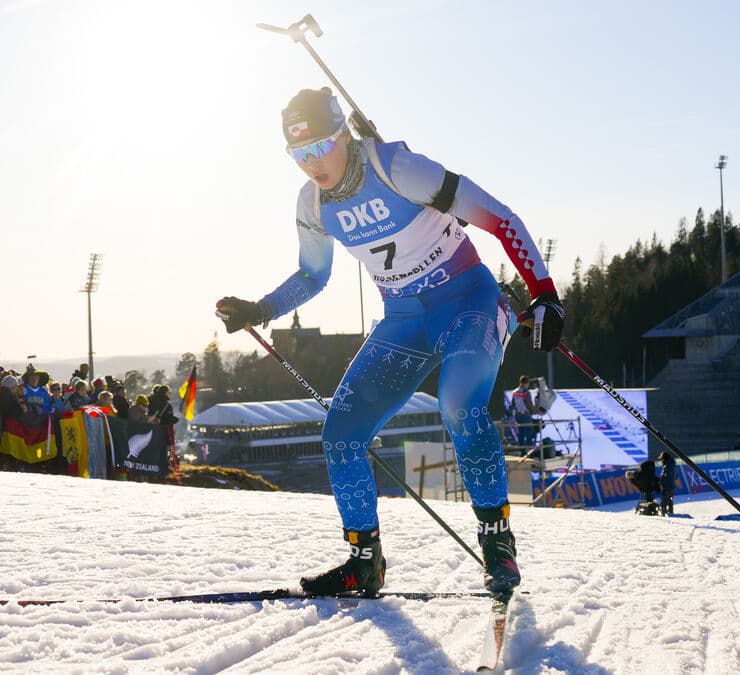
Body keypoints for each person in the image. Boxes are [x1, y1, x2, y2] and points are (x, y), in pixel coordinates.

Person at [214, 87, 564, 599]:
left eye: (319, 147)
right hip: (403, 319)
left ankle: (498, 545)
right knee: (340, 433)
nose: (312, 164)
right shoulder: (311, 203)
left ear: (344, 136)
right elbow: (313, 275)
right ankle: (364, 561)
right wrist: (260, 309)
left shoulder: (396, 166)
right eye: (298, 155)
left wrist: (546, 295)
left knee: (458, 404)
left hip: (468, 300)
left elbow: (500, 218)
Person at [658, 451, 677, 515]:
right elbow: (676, 476)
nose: (661, 461)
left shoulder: (667, 466)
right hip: (671, 487)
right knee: (670, 502)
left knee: (663, 504)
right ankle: (671, 514)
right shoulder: (672, 465)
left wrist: (662, 485)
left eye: (662, 459)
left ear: (664, 458)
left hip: (667, 487)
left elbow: (665, 478)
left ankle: (665, 516)